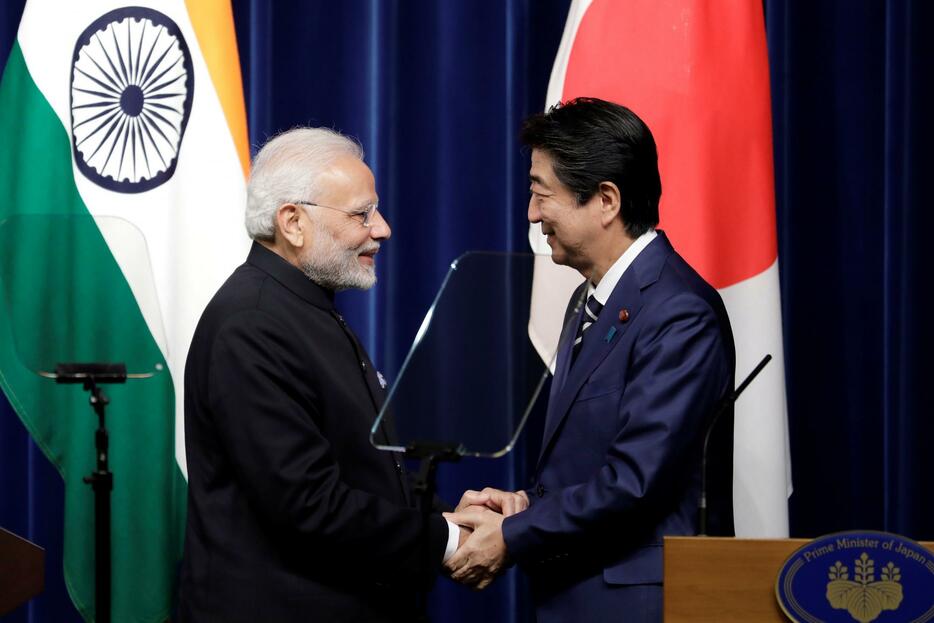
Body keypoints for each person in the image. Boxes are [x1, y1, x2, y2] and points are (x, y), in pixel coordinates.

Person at [445, 98, 736, 622]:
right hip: (576, 595)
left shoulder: (679, 313)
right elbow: (586, 465)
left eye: (540, 193)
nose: (532, 213)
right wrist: (524, 506)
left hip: (637, 604)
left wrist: (512, 535)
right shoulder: (588, 299)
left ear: (605, 200)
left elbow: (634, 482)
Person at [179, 128, 462, 622]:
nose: (383, 229)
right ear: (293, 222)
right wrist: (449, 539)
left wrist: (445, 514)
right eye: (362, 214)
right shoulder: (254, 324)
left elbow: (358, 465)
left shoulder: (300, 308)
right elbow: (307, 506)